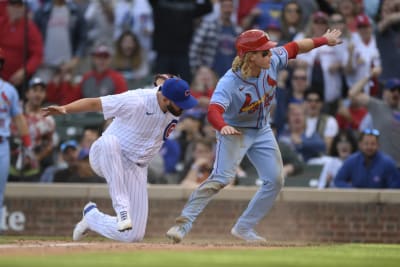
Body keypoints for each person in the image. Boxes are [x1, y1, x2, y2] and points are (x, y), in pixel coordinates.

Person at [165, 28, 342, 243]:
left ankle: (244, 227)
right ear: (250, 56)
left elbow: (295, 47)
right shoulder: (229, 82)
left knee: (275, 180)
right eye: (264, 52)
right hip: (234, 129)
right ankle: (182, 225)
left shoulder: (272, 60)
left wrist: (325, 40)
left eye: (268, 50)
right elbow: (213, 111)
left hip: (261, 129)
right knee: (220, 179)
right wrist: (222, 127)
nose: (270, 53)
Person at [42, 76, 198, 243]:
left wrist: (163, 80)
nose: (183, 107)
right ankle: (122, 208)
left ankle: (92, 218)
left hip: (136, 167)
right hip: (104, 154)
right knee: (111, 142)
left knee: (134, 235)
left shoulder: (167, 94)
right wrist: (66, 108)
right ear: (165, 98)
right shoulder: (136, 100)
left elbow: (163, 83)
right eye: (180, 103)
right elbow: (96, 103)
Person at [0, 47, 31, 226]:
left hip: (2, 144)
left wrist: (27, 142)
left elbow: (18, 118)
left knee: (0, 191)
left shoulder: (8, 90)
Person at [334, 129, 400, 189]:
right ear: (360, 145)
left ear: (378, 145)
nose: (369, 147)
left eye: (373, 144)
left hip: (381, 201)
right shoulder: (351, 161)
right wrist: (353, 190)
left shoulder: (388, 163)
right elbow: (338, 180)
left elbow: (395, 186)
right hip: (357, 200)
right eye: (366, 144)